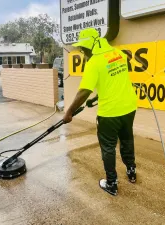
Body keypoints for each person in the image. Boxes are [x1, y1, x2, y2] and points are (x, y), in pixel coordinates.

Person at [63, 28, 138, 196]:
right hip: (129, 108)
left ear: (90, 45)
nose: (82, 51)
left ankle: (111, 183)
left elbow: (83, 91)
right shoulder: (118, 53)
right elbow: (112, 82)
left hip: (110, 114)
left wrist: (69, 112)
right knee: (127, 139)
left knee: (108, 147)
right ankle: (131, 170)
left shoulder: (94, 62)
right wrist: (95, 99)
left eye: (82, 48)